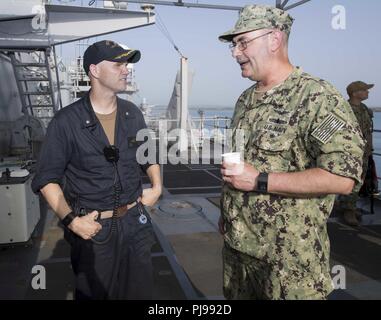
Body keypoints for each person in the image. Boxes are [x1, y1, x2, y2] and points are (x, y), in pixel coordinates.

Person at [217, 5, 365, 300]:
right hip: (238, 253)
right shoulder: (245, 100)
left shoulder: (317, 97)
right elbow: (239, 165)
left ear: (274, 40)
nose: (235, 52)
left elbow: (342, 178)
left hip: (288, 265)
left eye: (243, 42)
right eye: (234, 45)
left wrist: (259, 180)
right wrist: (227, 210)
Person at [31, 40, 161, 300]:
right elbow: (47, 179)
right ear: (94, 70)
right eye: (118, 64)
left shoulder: (132, 114)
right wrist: (72, 221)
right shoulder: (66, 122)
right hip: (95, 230)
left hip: (135, 224)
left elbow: (148, 155)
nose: (126, 70)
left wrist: (157, 187)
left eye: (127, 64)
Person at [337, 81, 375, 225]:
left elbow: (368, 130)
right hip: (349, 152)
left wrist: (370, 149)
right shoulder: (344, 109)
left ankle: (348, 206)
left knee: (359, 180)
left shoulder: (364, 108)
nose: (368, 92)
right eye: (364, 90)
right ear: (354, 93)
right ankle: (348, 211)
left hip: (364, 152)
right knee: (350, 180)